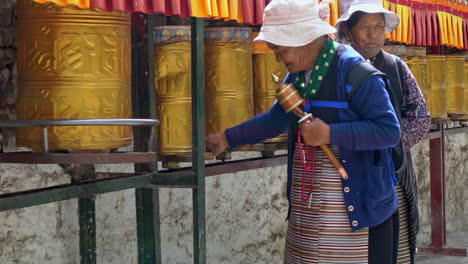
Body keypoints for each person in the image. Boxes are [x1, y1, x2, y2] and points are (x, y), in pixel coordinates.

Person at [206, 0, 401, 263]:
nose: (277, 57)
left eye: (280, 49)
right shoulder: (297, 78)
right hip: (308, 206)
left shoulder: (357, 74)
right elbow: (276, 119)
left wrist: (331, 133)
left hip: (355, 205)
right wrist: (228, 138)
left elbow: (388, 131)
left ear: (303, 39)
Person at [335, 1, 431, 263]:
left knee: (392, 240)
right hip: (346, 166)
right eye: (364, 27)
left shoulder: (396, 66)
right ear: (348, 30)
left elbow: (421, 116)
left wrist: (389, 144)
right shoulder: (337, 66)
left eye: (378, 27)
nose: (373, 34)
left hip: (393, 167)